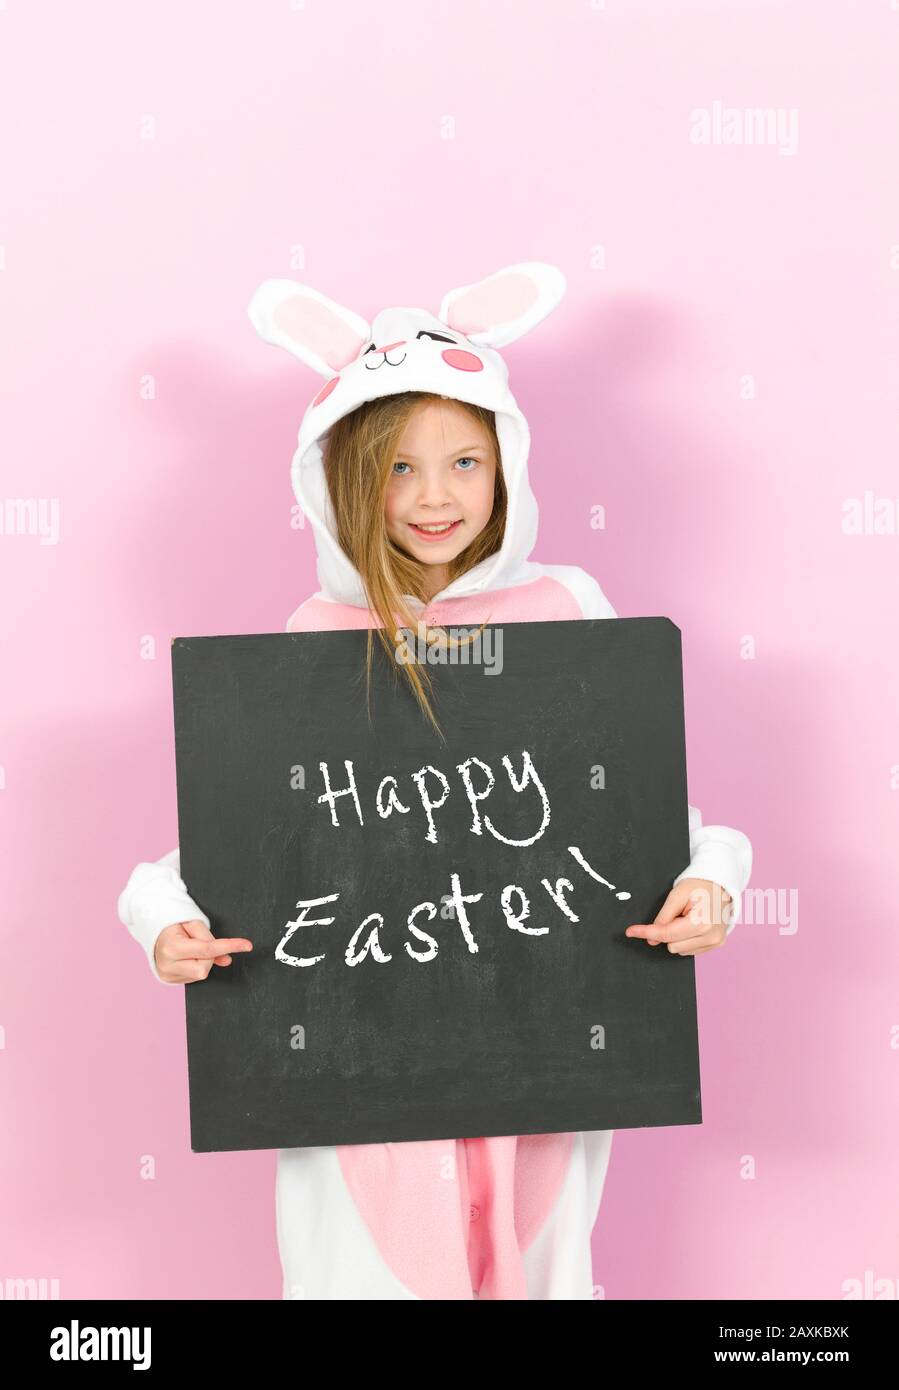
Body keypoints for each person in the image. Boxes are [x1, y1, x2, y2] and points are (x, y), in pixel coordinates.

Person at [117, 261, 753, 1300]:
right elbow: (249, 838)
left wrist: (711, 879)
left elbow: (643, 811)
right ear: (340, 482)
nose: (432, 497)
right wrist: (162, 918)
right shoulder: (314, 643)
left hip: (540, 1062)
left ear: (504, 464)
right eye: (397, 469)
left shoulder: (565, 613)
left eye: (463, 460)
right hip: (360, 1089)